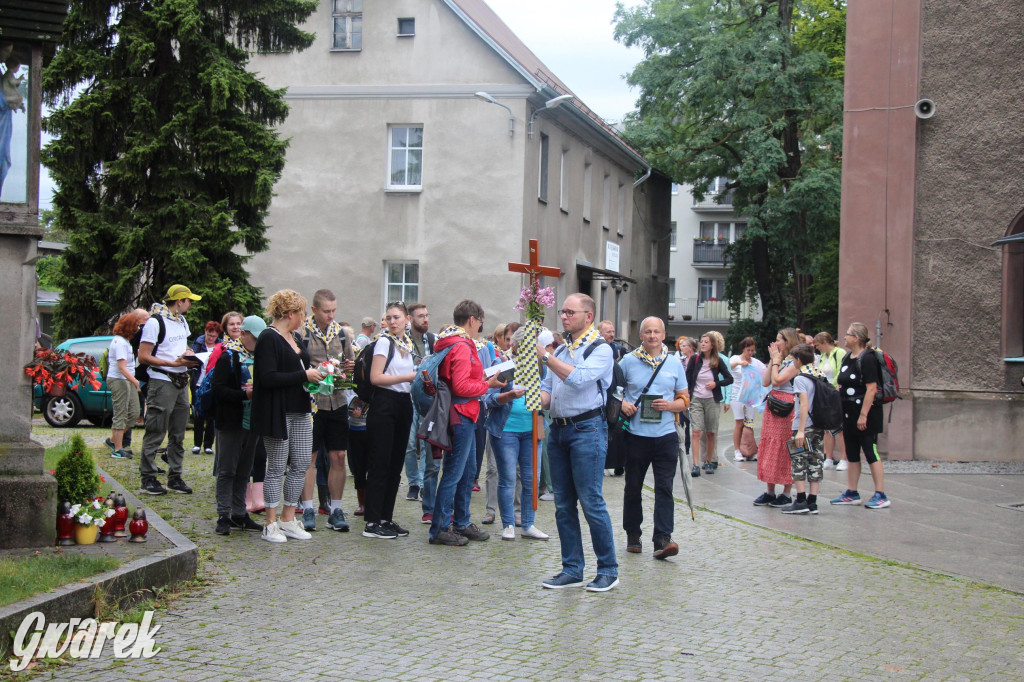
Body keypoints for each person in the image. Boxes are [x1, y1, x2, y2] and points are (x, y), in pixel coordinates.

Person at [538, 293, 619, 592]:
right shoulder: (562, 348)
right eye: (562, 311)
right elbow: (549, 389)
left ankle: (608, 569)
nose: (564, 316)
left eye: (570, 312)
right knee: (563, 504)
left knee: (591, 502)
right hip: (558, 430)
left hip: (587, 429)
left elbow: (579, 379)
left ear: (589, 315)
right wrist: (529, 398)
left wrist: (545, 357)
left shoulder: (601, 349)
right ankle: (572, 568)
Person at [428, 300, 503, 546]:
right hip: (461, 412)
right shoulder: (460, 345)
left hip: (465, 412)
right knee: (453, 472)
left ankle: (461, 521)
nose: (480, 328)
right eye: (480, 323)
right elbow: (460, 386)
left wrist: (482, 378)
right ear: (472, 319)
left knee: (468, 471)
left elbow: (460, 378)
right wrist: (486, 385)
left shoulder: (454, 341)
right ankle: (440, 528)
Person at [251, 289, 323, 543]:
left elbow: (298, 371)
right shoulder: (268, 338)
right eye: (301, 313)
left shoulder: (294, 337)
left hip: (301, 409)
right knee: (277, 466)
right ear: (290, 313)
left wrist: (316, 374)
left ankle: (288, 517)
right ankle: (270, 523)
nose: (303, 318)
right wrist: (305, 375)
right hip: (277, 412)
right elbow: (267, 378)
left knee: (302, 463)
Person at [619, 317, 689, 559]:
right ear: (641, 336)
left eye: (656, 332)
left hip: (666, 435)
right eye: (647, 332)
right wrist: (624, 404)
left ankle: (662, 538)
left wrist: (670, 405)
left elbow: (684, 399)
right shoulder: (628, 361)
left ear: (663, 334)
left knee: (664, 488)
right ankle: (632, 533)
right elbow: (614, 392)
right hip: (636, 435)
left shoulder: (674, 363)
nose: (652, 336)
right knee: (633, 487)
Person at [484, 326, 549, 541]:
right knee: (508, 478)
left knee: (532, 479)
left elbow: (548, 392)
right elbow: (488, 397)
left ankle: (528, 524)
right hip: (506, 430)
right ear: (517, 346)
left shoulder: (541, 367)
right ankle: (509, 524)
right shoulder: (503, 364)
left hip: (532, 430)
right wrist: (508, 396)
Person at [298, 289, 355, 532]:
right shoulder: (302, 333)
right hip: (312, 404)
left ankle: (336, 509)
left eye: (334, 310)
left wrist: (350, 368)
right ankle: (308, 508)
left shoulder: (341, 334)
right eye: (326, 311)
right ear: (314, 310)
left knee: (338, 457)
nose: (331, 315)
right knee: (309, 458)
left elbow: (349, 367)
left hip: (338, 401)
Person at [138, 284, 202, 496]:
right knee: (156, 429)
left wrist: (189, 354)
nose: (190, 304)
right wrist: (172, 363)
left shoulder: (181, 321)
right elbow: (143, 356)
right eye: (188, 301)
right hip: (162, 379)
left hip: (181, 380)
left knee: (178, 432)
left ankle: (175, 476)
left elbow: (181, 346)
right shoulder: (155, 322)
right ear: (179, 301)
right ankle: (147, 477)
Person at [362, 302, 418, 539]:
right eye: (389, 317)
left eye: (397, 317)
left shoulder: (408, 344)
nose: (392, 321)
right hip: (385, 403)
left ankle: (386, 517)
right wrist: (410, 376)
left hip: (404, 403)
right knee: (380, 462)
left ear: (407, 319)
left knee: (396, 464)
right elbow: (375, 377)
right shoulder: (384, 342)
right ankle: (372, 522)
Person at [211, 315, 266, 535]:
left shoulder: (260, 356)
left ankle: (239, 513)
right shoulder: (229, 356)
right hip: (231, 421)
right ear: (243, 334)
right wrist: (244, 393)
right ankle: (223, 515)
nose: (257, 343)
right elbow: (218, 389)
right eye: (254, 338)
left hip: (252, 422)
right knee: (227, 469)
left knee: (245, 469)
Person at [831, 323, 890, 509]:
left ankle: (880, 494)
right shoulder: (848, 357)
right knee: (852, 453)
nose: (844, 337)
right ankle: (852, 492)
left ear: (857, 338)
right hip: (848, 413)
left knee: (870, 452)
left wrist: (863, 415)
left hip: (865, 414)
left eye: (848, 334)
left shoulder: (868, 358)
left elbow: (871, 388)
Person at [754, 328, 802, 508]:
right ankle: (770, 491)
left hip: (788, 408)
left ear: (788, 342)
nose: (775, 344)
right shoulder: (779, 361)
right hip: (773, 406)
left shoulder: (795, 362)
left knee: (784, 447)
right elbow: (766, 382)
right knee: (770, 446)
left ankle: (787, 493)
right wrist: (773, 361)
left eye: (779, 340)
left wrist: (775, 362)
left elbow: (777, 381)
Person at [781, 344, 827, 514]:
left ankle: (800, 500)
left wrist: (800, 430)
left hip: (803, 426)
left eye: (793, 359)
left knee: (798, 461)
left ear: (798, 360)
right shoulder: (819, 374)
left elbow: (804, 404)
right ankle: (812, 502)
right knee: (816, 462)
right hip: (818, 426)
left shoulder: (801, 378)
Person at [685, 331, 734, 476]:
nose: (703, 344)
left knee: (711, 432)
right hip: (696, 399)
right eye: (702, 341)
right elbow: (687, 379)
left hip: (712, 400)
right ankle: (695, 465)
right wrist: (686, 396)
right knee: (696, 431)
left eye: (706, 342)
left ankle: (708, 461)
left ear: (712, 345)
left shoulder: (718, 360)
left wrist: (716, 383)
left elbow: (729, 379)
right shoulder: (695, 359)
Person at [404, 303, 436, 504]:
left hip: (425, 395)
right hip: (407, 394)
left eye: (427, 315)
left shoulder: (432, 340)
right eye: (420, 316)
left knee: (426, 442)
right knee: (408, 443)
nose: (425, 319)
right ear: (410, 319)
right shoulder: (403, 341)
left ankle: (424, 483)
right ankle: (413, 482)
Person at [106, 312, 143, 459]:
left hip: (127, 380)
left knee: (134, 413)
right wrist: (135, 382)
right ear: (129, 327)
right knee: (120, 413)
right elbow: (122, 367)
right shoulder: (120, 342)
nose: (138, 328)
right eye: (136, 325)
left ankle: (113, 441)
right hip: (119, 380)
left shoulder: (125, 341)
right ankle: (118, 449)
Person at [814, 331, 849, 471]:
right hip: (825, 393)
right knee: (828, 427)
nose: (817, 348)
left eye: (818, 345)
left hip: (835, 393)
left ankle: (844, 458)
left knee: (840, 428)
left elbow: (841, 371)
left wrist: (834, 388)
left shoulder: (839, 353)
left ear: (824, 343)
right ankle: (828, 458)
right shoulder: (823, 356)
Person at [189, 320, 222, 455]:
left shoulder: (220, 346)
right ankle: (197, 443)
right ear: (205, 332)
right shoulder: (198, 343)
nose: (210, 338)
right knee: (198, 414)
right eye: (209, 335)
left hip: (212, 382)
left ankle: (208, 444)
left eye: (213, 336)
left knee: (211, 416)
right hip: (198, 381)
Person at [730, 337, 764, 461]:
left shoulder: (755, 362)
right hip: (737, 394)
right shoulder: (735, 358)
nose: (750, 353)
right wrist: (740, 363)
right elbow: (729, 367)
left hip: (750, 396)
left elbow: (763, 372)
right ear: (743, 349)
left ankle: (750, 449)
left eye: (752, 350)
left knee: (749, 423)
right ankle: (737, 450)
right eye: (748, 350)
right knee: (739, 422)